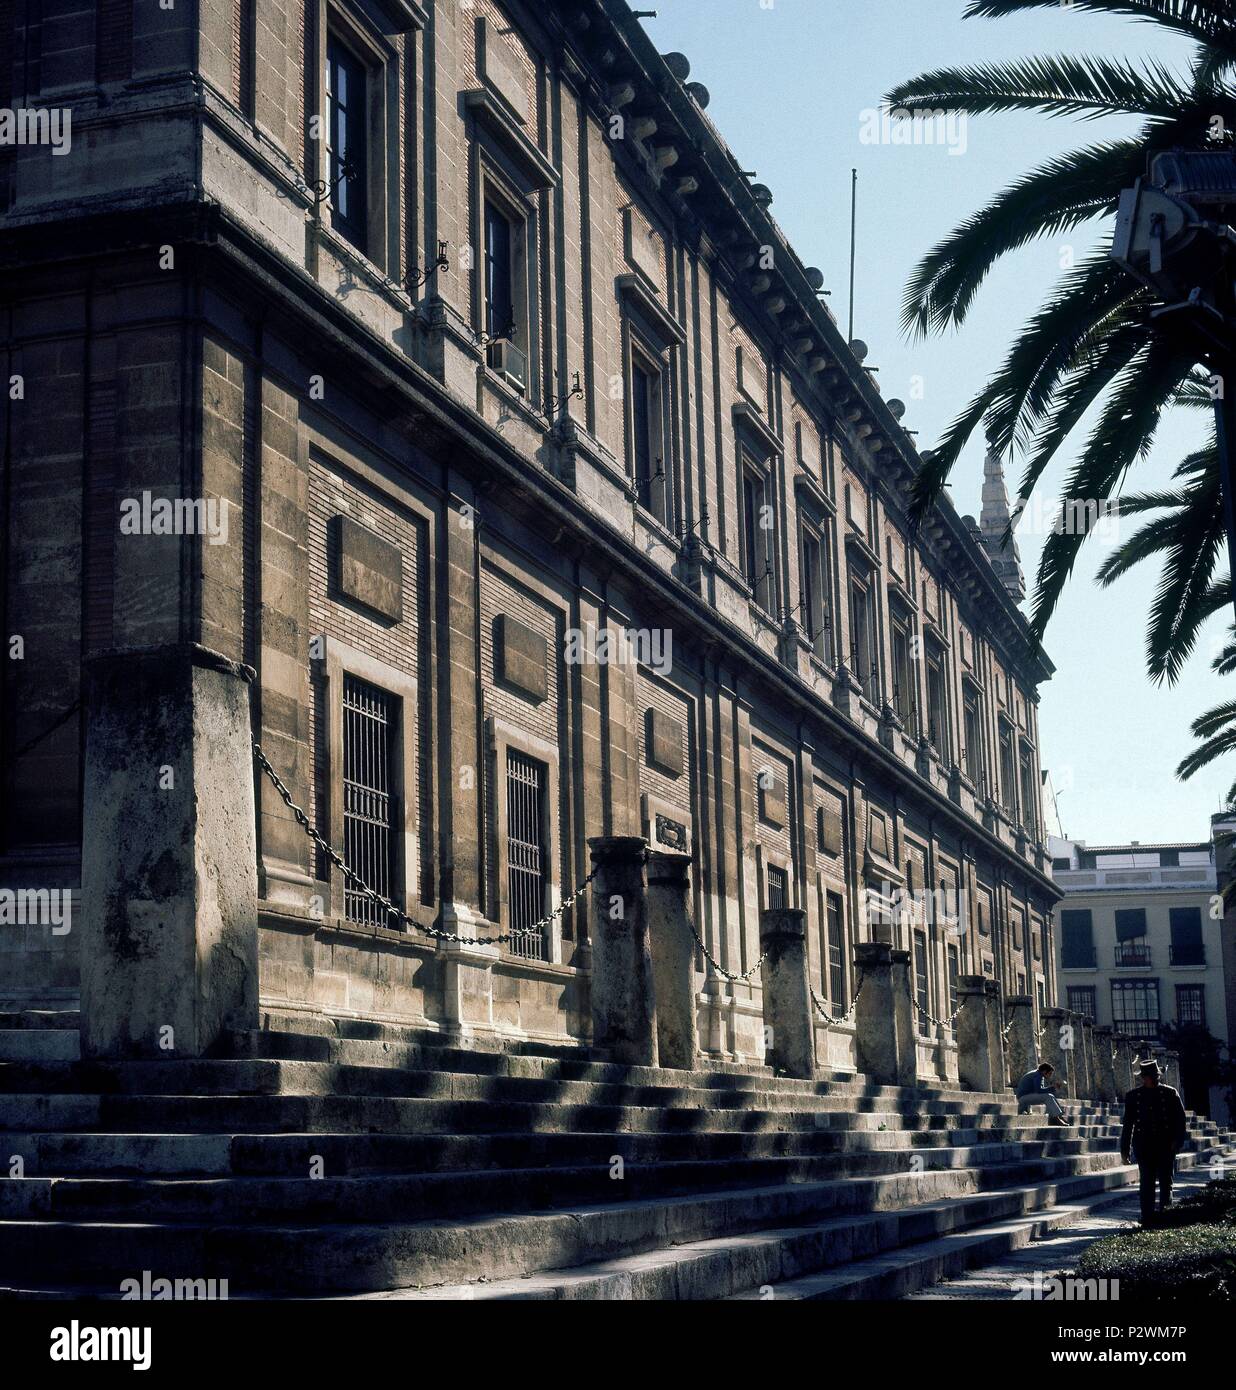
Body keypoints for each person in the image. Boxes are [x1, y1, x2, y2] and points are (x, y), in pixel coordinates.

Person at [1120, 1059, 1187, 1226]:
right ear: (1144, 1077)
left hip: (1166, 1144)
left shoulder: (1170, 1093)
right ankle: (1147, 1218)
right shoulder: (1133, 1096)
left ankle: (1166, 1216)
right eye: (1151, 1076)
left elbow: (1180, 1119)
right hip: (1144, 1146)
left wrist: (1177, 1141)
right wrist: (1125, 1150)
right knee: (1147, 1184)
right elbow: (1128, 1125)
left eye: (1156, 1076)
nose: (1154, 1079)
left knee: (1166, 1183)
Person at [1014, 1062, 1072, 1126]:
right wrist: (1052, 1087)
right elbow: (1039, 1091)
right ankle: (1056, 1119)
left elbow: (1040, 1090)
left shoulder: (1038, 1074)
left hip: (1025, 1097)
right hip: (1023, 1098)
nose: (1050, 1076)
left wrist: (1052, 1088)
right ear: (1044, 1071)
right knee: (1048, 1097)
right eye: (1049, 1073)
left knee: (1050, 1096)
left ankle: (1059, 1117)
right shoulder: (1037, 1075)